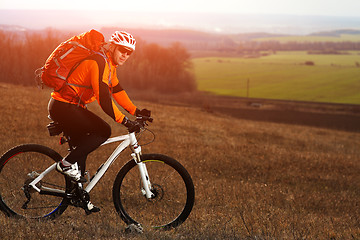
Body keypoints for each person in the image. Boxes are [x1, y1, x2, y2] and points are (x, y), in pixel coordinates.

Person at [48, 30, 150, 213]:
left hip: (72, 107)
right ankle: (64, 165)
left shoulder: (109, 64)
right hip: (64, 107)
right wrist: (125, 121)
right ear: (112, 47)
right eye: (122, 50)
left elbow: (117, 90)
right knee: (103, 131)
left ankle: (77, 194)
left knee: (82, 146)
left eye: (129, 52)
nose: (125, 55)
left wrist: (136, 111)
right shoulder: (99, 61)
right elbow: (104, 98)